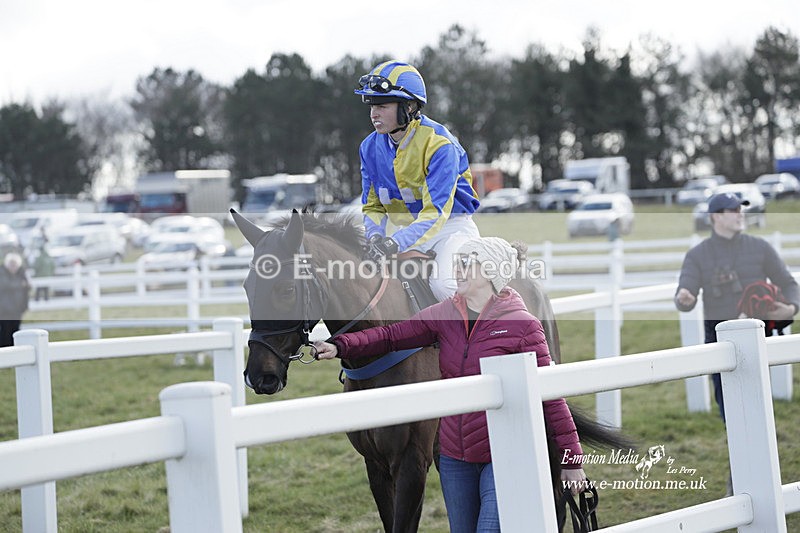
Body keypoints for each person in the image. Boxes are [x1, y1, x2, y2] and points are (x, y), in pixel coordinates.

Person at [314, 237, 586, 532]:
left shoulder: (524, 326)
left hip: (501, 456)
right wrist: (341, 346)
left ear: (491, 272)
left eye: (467, 264)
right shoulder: (444, 314)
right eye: (457, 263)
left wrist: (571, 460)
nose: (457, 270)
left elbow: (552, 400)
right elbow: (391, 336)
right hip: (455, 460)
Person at [355, 60, 481, 301]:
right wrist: (375, 237)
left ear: (409, 106)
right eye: (371, 105)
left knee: (444, 285)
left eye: (382, 105)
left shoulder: (440, 145)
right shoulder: (368, 147)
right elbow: (372, 206)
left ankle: (477, 339)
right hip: (406, 233)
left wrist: (394, 243)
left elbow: (435, 213)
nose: (373, 113)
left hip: (450, 230)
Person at [675, 192, 799, 421]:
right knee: (731, 417)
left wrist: (791, 308)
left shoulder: (760, 247)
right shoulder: (697, 255)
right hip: (718, 344)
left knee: (758, 412)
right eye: (732, 210)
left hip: (757, 342)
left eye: (740, 209)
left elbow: (789, 283)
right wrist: (685, 298)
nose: (740, 215)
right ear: (716, 217)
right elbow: (685, 293)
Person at [0, 252, 31, 347]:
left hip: (17, 310)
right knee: (5, 333)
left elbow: (28, 286)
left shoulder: (21, 273)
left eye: (15, 265)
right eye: (11, 264)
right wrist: (20, 285)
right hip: (4, 311)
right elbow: (5, 285)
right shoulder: (2, 273)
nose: (13, 267)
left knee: (16, 332)